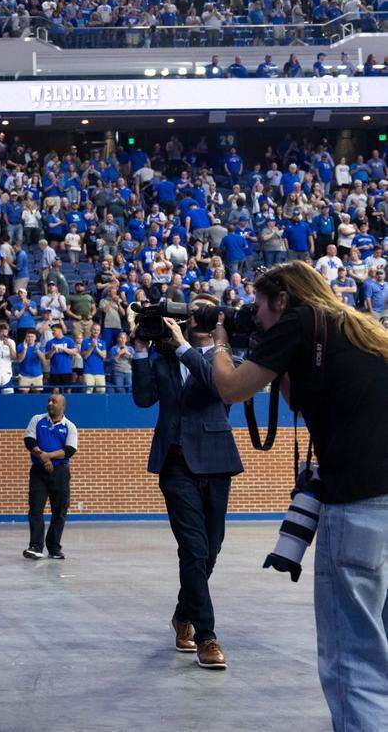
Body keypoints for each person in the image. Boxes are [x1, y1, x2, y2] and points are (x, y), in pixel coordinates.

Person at [210, 261, 388, 727]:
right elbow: (301, 397)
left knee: (352, 657)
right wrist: (272, 352)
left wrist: (222, 344)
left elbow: (230, 389)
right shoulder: (358, 327)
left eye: (261, 308)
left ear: (282, 299)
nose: (260, 318)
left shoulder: (300, 320)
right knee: (381, 638)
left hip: (357, 504)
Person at [131, 295, 243, 671]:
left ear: (214, 320)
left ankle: (183, 614)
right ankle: (207, 636)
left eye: (200, 310)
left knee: (211, 549)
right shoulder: (163, 359)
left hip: (216, 460)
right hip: (175, 462)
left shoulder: (226, 358)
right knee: (193, 549)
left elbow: (216, 386)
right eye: (187, 309)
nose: (191, 314)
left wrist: (181, 346)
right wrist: (141, 349)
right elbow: (144, 399)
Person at [23, 394, 77, 560]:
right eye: (49, 401)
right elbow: (30, 441)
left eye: (54, 401)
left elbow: (69, 450)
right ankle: (36, 546)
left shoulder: (70, 426)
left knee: (59, 511)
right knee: (36, 509)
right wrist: (42, 458)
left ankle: (54, 548)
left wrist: (48, 456)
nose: (50, 403)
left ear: (63, 406)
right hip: (38, 471)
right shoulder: (37, 419)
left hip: (60, 472)